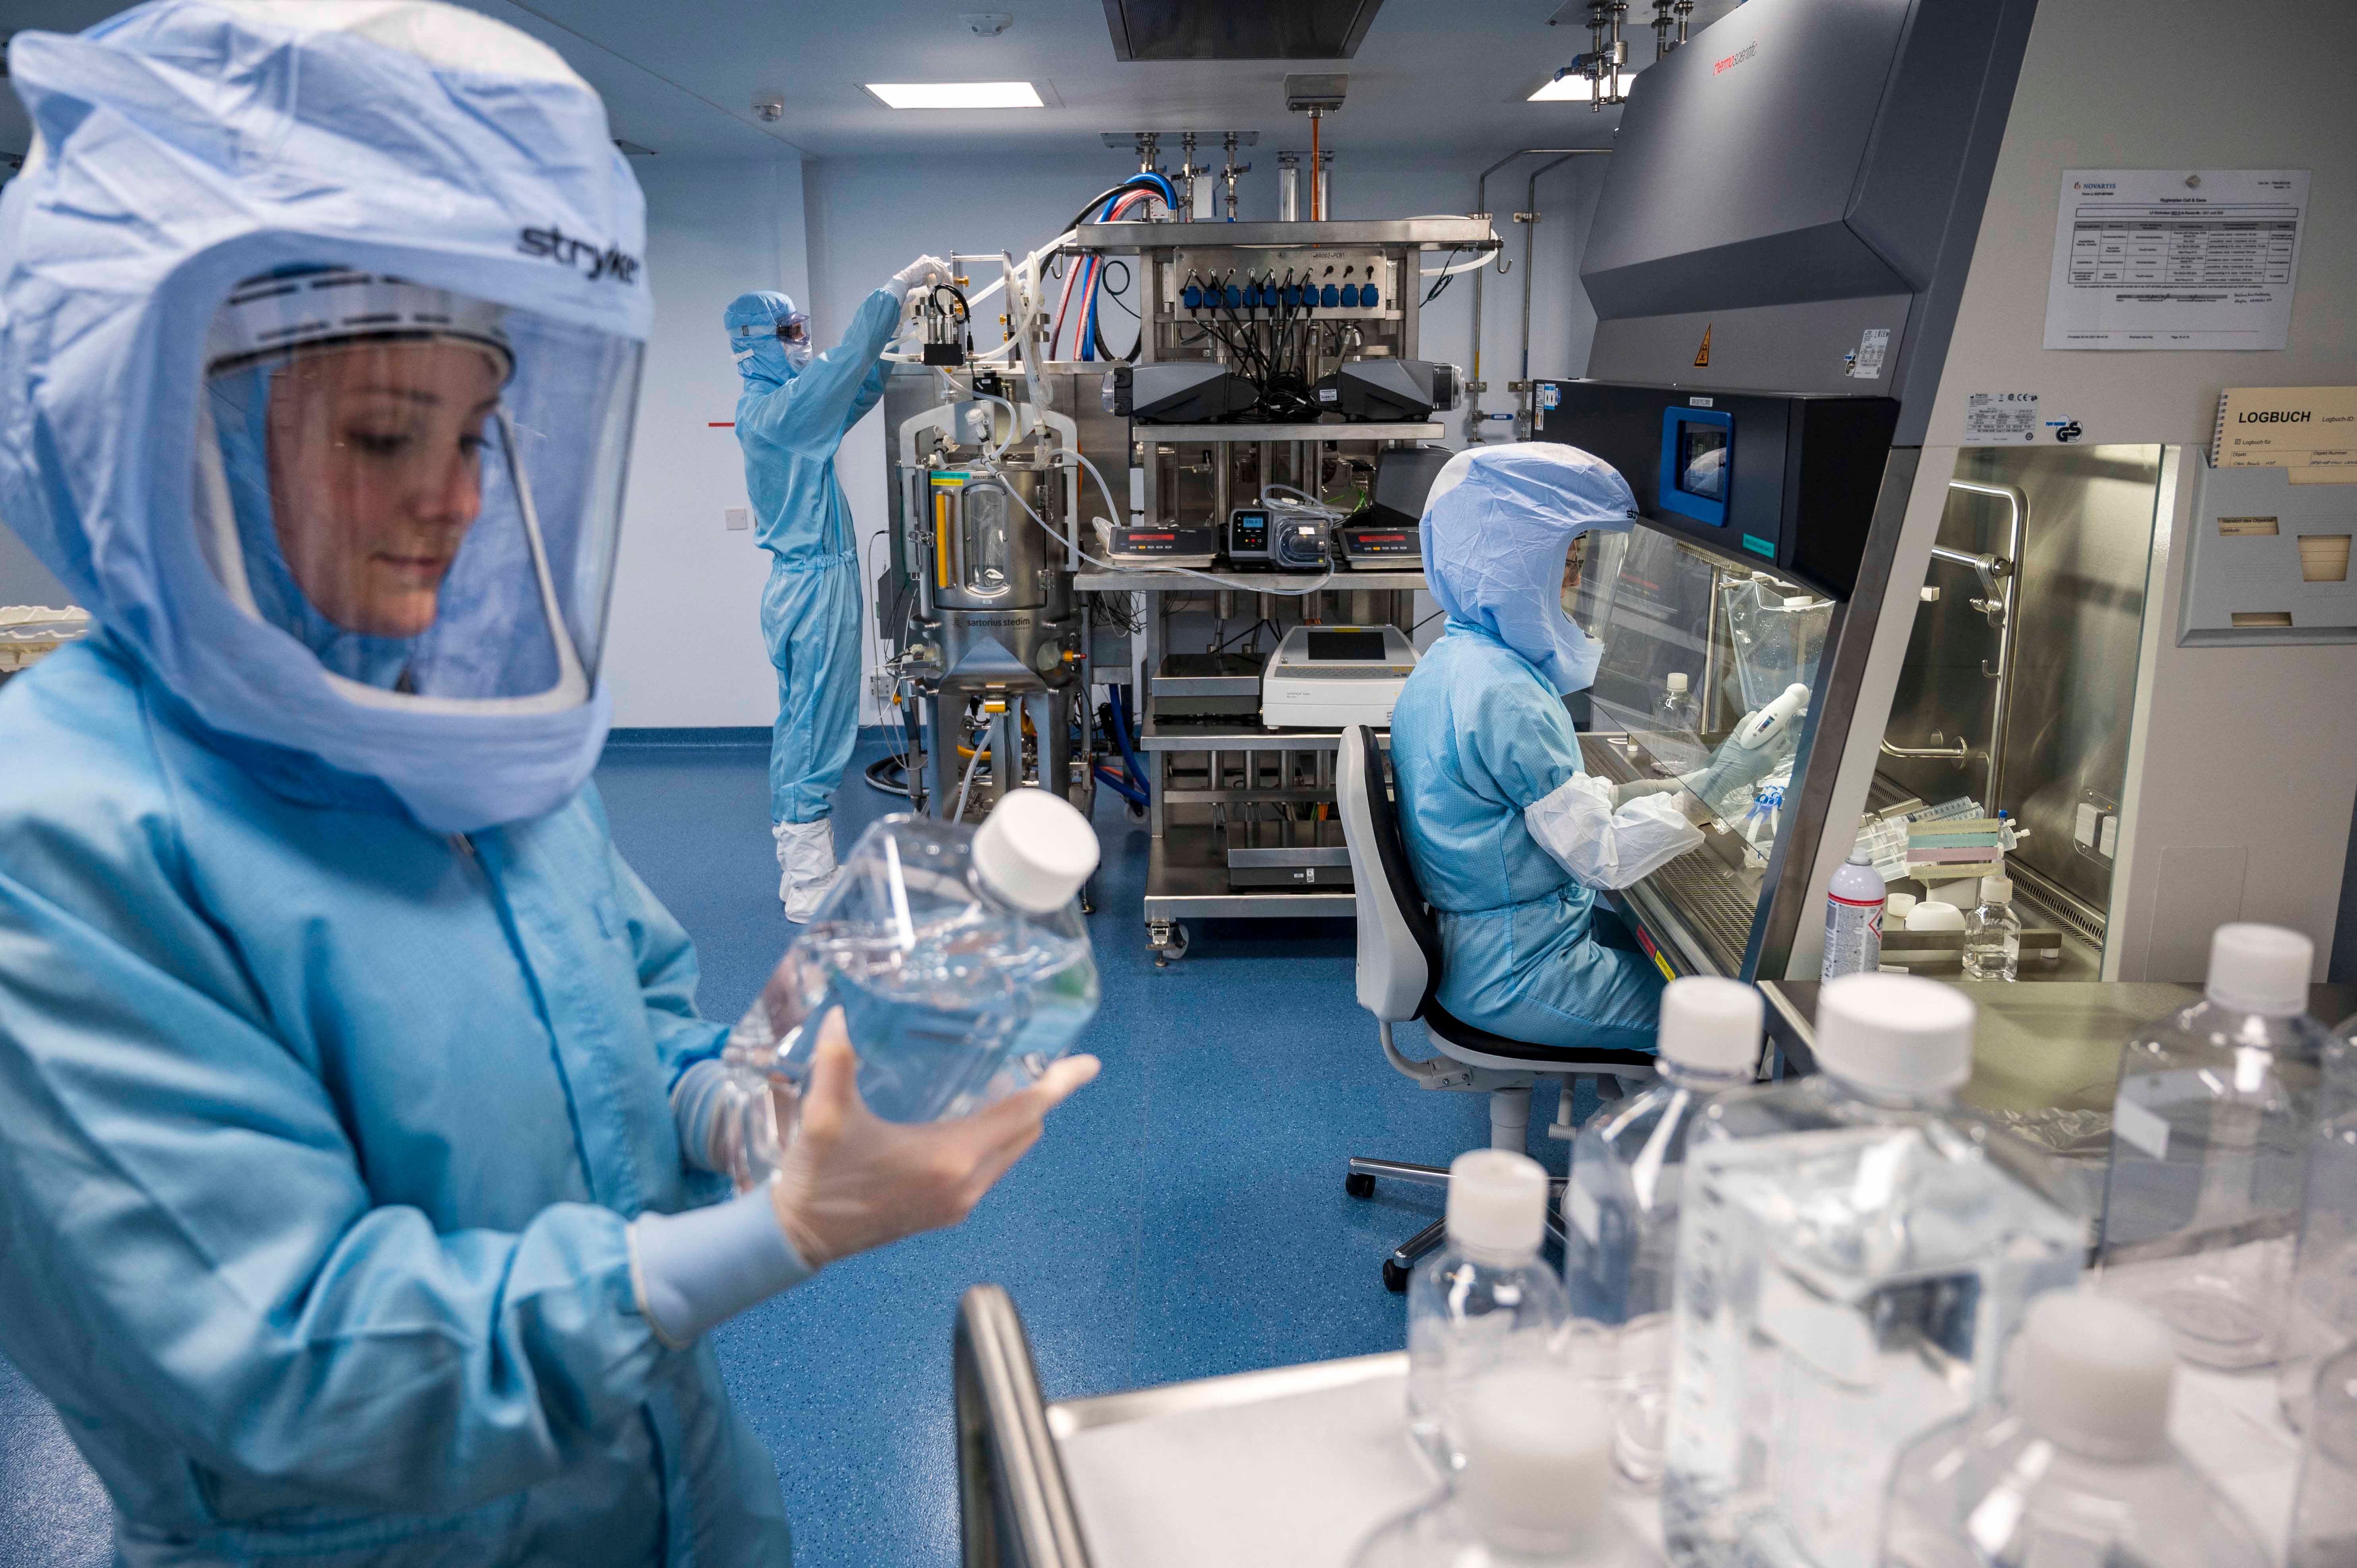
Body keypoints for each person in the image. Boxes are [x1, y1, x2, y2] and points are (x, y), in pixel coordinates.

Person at [0, 6, 1094, 1564]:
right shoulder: (62, 846)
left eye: (484, 431)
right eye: (388, 434)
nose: (457, 503)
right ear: (171, 428)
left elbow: (630, 1028)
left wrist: (738, 1116)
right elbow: (287, 1363)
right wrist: (759, 1243)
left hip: (668, 1500)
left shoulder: (466, 738)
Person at [1388, 444, 1795, 1054]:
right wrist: (1720, 783)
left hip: (1487, 944)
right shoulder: (1507, 694)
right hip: (1520, 973)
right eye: (1566, 563)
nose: (1576, 583)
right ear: (1515, 568)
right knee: (1736, 1025)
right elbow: (1602, 857)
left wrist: (1657, 790)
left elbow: (1524, 803)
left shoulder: (1454, 659)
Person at [726, 257, 944, 920]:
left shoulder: (790, 411)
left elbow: (854, 388)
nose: (800, 339)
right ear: (755, 342)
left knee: (806, 723)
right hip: (811, 590)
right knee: (815, 730)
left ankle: (803, 865)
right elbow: (842, 366)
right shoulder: (774, 415)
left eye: (801, 326)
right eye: (787, 330)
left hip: (818, 582)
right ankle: (809, 877)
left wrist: (902, 344)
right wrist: (894, 291)